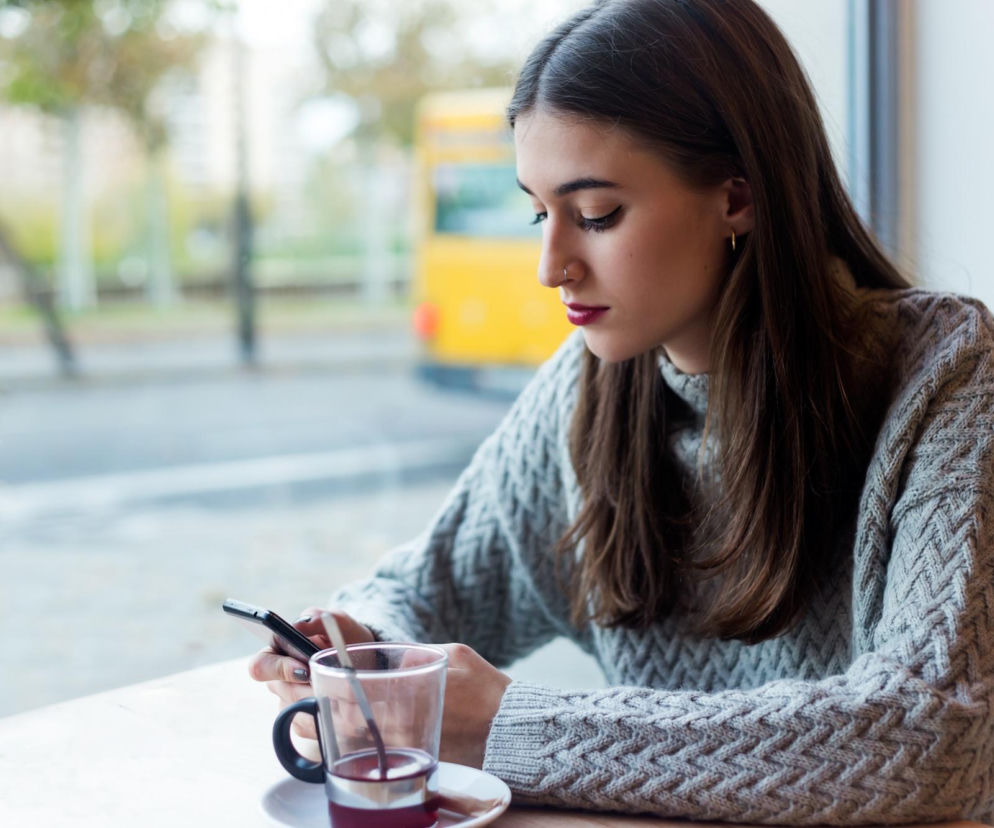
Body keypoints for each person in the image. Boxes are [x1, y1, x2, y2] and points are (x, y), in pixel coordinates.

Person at [250, 0, 994, 823]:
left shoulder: (948, 380)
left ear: (737, 197)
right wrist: (365, 647)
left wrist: (512, 725)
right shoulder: (584, 393)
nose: (550, 265)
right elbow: (423, 591)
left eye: (595, 214)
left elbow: (938, 737)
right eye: (540, 212)